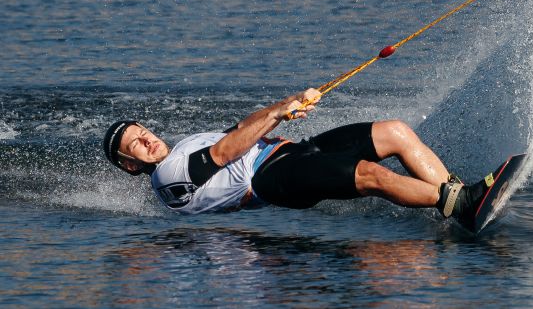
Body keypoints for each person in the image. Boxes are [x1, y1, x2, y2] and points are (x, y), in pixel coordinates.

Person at [102, 88, 494, 230]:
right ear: (131, 166)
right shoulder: (166, 178)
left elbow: (240, 127)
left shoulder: (186, 143)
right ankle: (459, 202)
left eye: (143, 132)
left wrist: (288, 105)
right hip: (272, 180)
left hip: (290, 153)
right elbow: (226, 151)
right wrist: (275, 116)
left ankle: (457, 198)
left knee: (395, 132)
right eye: (135, 146)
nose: (147, 141)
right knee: (368, 175)